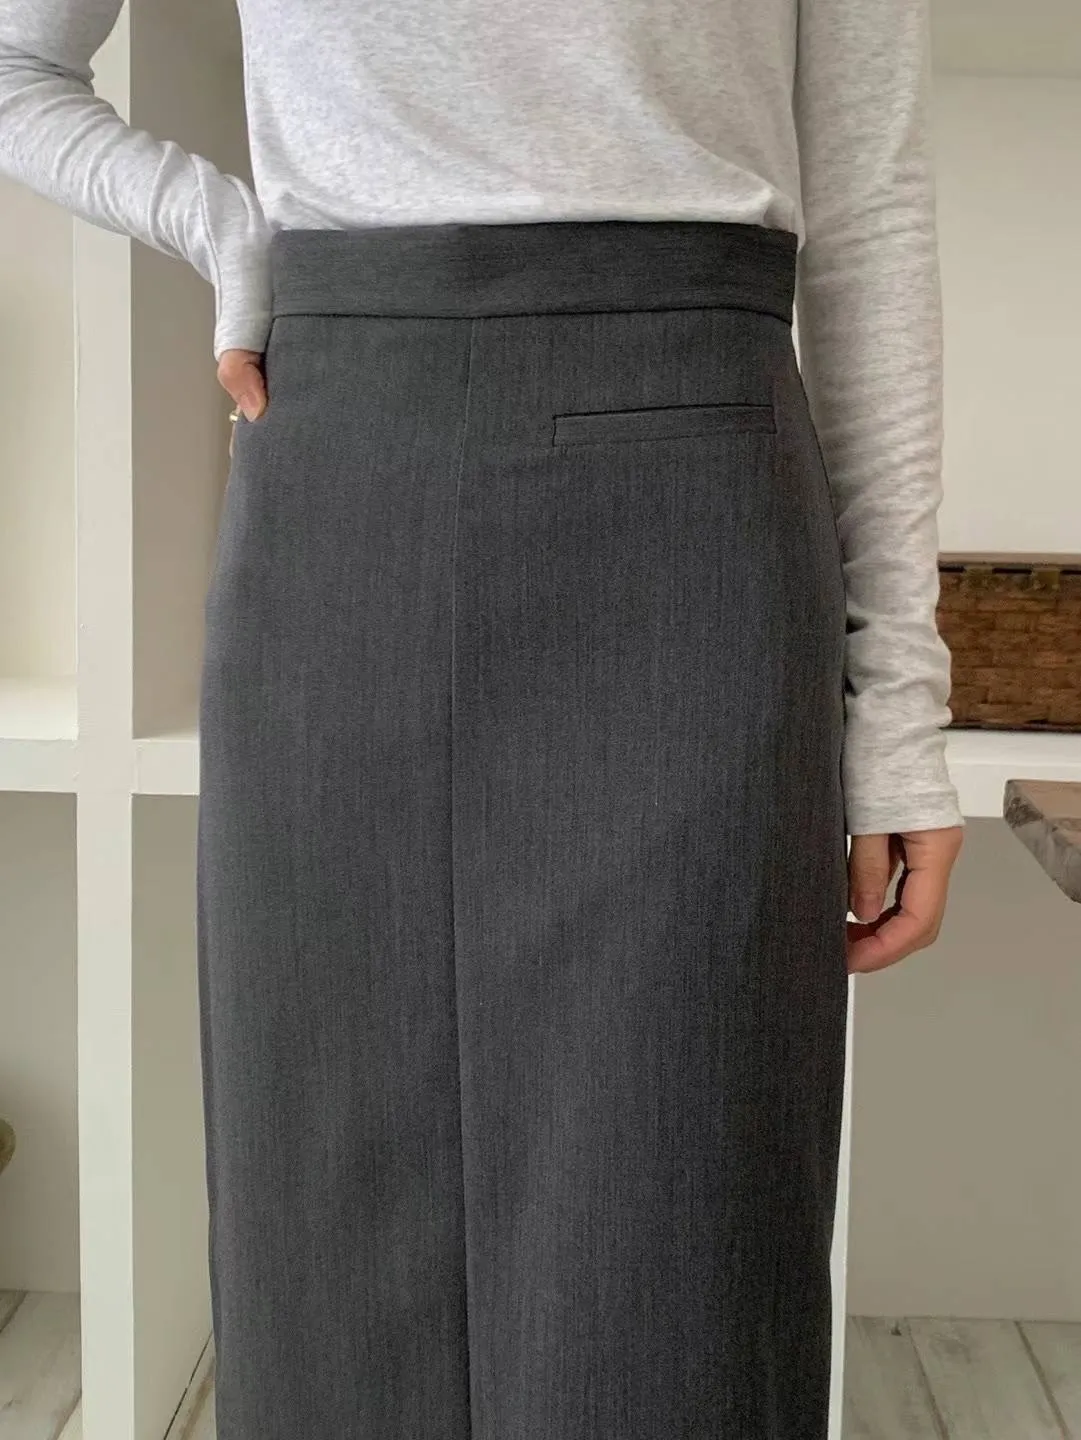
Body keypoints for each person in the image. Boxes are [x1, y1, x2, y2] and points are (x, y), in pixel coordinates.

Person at [0, 1, 965, 1435]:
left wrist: (898, 701)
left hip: (688, 487)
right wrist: (224, 228)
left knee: (680, 1222)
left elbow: (870, 209)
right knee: (326, 1204)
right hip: (342, 468)